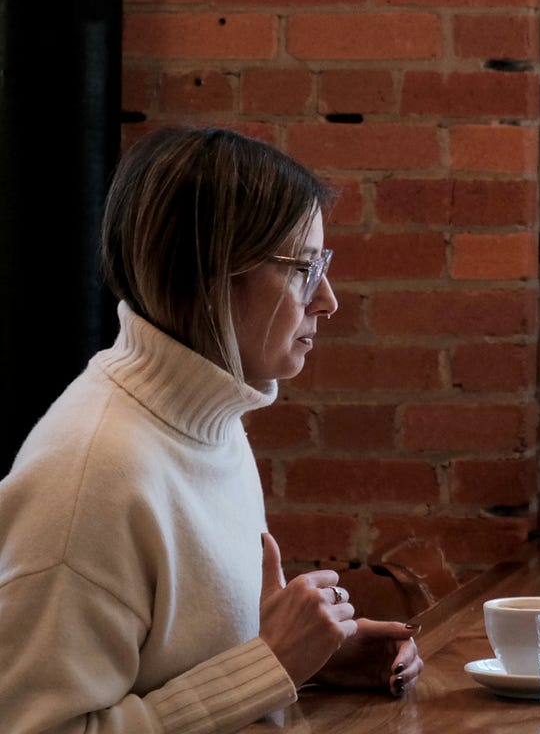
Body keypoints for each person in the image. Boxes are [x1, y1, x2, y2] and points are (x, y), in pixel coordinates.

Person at [0, 126, 424, 733]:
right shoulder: (93, 474)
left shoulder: (205, 423)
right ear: (212, 275)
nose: (326, 300)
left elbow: (167, 667)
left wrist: (307, 660)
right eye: (304, 268)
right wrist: (267, 662)